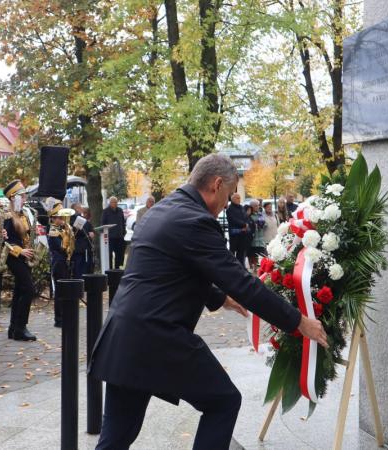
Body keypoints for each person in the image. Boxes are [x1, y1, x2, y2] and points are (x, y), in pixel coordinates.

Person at [89, 154, 328, 450]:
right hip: (157, 338)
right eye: (227, 197)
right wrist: (299, 322)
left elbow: (172, 268)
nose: (225, 206)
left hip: (123, 336)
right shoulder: (196, 221)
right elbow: (242, 282)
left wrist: (220, 298)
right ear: (217, 185)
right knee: (223, 402)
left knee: (115, 438)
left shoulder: (162, 209)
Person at [3, 180, 36, 341]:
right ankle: (21, 327)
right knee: (28, 289)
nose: (25, 199)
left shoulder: (23, 214)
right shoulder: (8, 216)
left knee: (19, 290)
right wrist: (21, 250)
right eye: (21, 197)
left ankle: (13, 328)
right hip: (14, 256)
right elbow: (6, 241)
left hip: (23, 256)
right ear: (13, 198)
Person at [47, 199, 75, 327]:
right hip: (58, 263)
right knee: (59, 291)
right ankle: (59, 319)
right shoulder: (53, 231)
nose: (61, 220)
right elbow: (61, 247)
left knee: (65, 290)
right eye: (58, 218)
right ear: (52, 219)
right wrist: (67, 238)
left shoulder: (63, 229)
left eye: (62, 217)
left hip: (65, 262)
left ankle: (65, 315)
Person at [70, 202, 94, 278]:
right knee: (78, 267)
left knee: (85, 266)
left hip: (86, 247)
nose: (81, 209)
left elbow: (89, 227)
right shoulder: (71, 219)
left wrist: (91, 233)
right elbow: (75, 232)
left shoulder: (83, 218)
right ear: (75, 209)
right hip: (77, 247)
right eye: (80, 208)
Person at [101, 197, 126, 269]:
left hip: (119, 236)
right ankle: (110, 269)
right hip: (110, 237)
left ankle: (117, 268)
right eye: (113, 202)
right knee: (109, 255)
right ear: (110, 203)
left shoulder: (120, 210)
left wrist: (123, 232)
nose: (115, 204)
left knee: (119, 254)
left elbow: (122, 222)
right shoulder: (106, 211)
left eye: (116, 202)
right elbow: (103, 223)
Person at [226, 193, 248, 266]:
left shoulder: (241, 207)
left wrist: (246, 224)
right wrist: (244, 224)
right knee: (233, 251)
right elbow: (233, 220)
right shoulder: (230, 208)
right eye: (237, 198)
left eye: (239, 198)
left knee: (241, 251)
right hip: (234, 233)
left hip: (243, 233)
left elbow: (245, 216)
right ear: (232, 199)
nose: (239, 200)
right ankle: (231, 266)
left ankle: (241, 266)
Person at [248, 199, 267, 272]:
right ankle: (254, 268)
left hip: (261, 238)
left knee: (263, 254)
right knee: (253, 254)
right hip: (253, 238)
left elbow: (265, 225)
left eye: (258, 205)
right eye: (256, 206)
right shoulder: (249, 215)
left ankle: (263, 268)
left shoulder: (260, 214)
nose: (258, 207)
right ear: (251, 206)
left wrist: (262, 224)